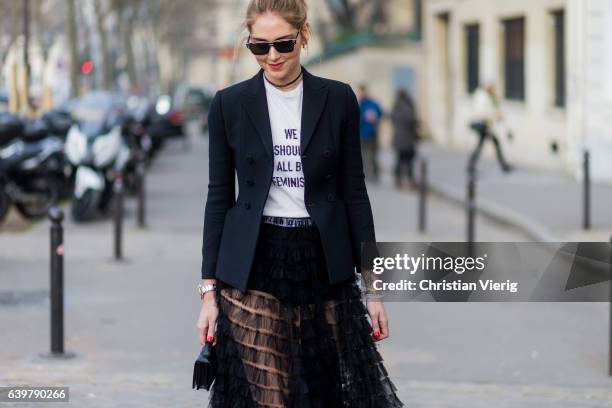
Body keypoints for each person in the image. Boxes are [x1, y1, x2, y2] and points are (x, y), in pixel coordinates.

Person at [196, 1, 404, 407]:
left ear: (304, 36)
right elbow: (219, 198)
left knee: (326, 393)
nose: (272, 56)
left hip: (323, 261)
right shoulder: (229, 104)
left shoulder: (338, 99)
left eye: (283, 44)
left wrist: (373, 288)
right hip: (254, 262)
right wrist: (208, 293)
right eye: (260, 47)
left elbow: (355, 196)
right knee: (271, 395)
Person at [468, 82, 512, 173]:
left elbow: (494, 108)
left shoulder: (489, 96)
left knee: (482, 145)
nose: (493, 89)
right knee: (494, 142)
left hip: (486, 126)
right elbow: (482, 112)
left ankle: (471, 165)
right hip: (482, 125)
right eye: (491, 87)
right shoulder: (481, 96)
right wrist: (495, 115)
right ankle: (503, 165)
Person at [391, 89, 419, 190]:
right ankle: (410, 180)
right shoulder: (406, 106)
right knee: (408, 160)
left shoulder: (396, 106)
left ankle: (398, 179)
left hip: (398, 138)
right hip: (407, 138)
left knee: (400, 160)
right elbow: (411, 120)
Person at [358, 84, 383, 182]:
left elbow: (380, 114)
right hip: (362, 134)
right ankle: (365, 174)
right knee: (363, 156)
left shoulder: (373, 103)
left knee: (374, 155)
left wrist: (375, 119)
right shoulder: (358, 104)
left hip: (373, 134)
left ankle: (375, 175)